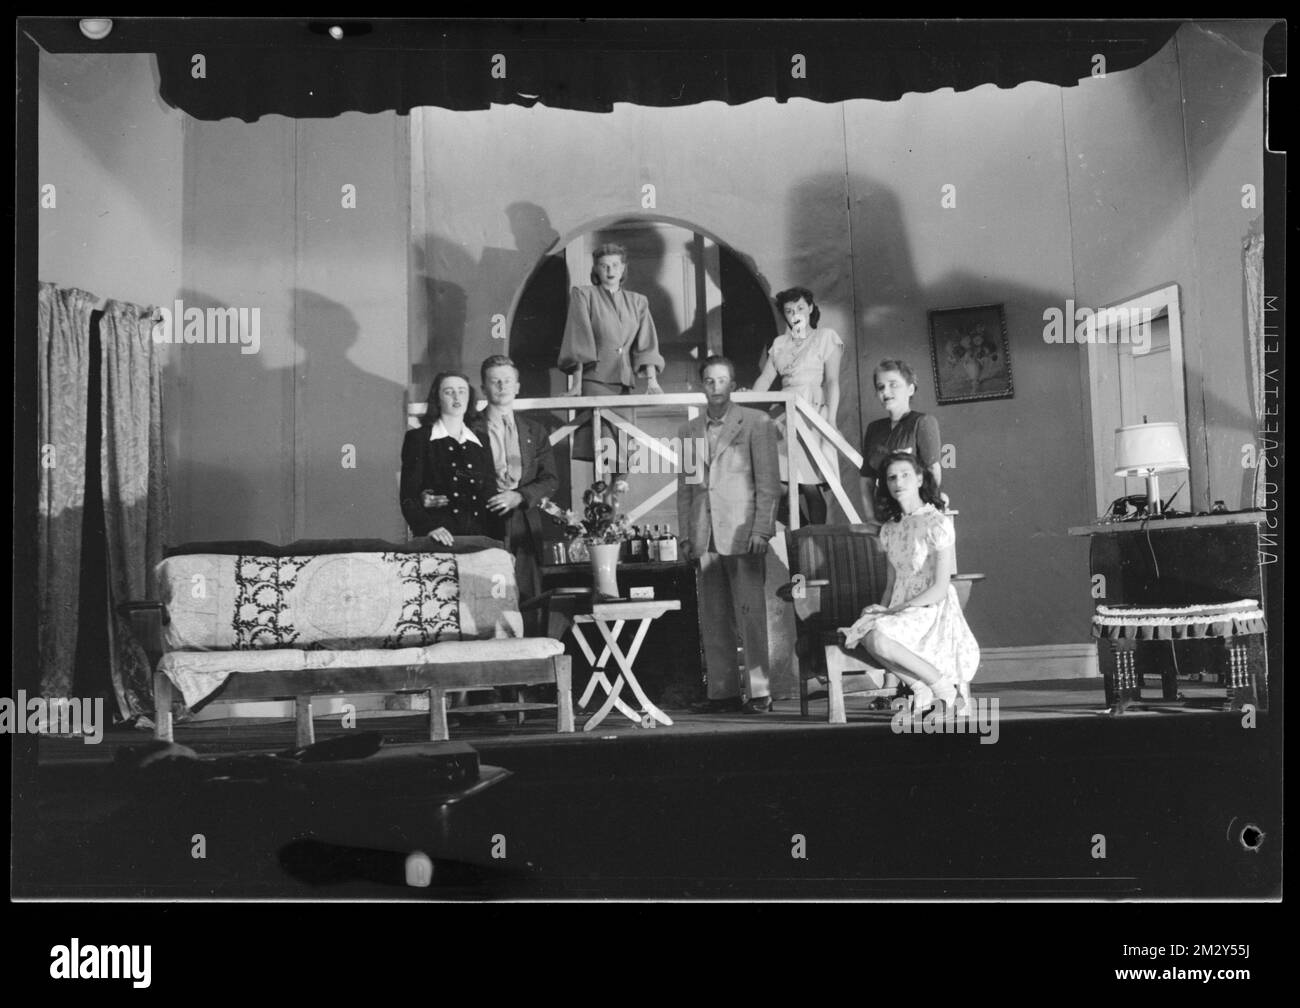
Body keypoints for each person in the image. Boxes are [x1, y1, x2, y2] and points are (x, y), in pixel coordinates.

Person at [677, 356, 781, 714]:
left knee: (751, 615)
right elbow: (687, 489)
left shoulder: (757, 423)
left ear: (733, 385)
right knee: (714, 616)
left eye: (722, 381)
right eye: (709, 381)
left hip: (743, 533)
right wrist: (687, 536)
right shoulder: (689, 432)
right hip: (704, 534)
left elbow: (769, 485)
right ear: (701, 386)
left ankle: (760, 692)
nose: (716, 388)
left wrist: (762, 530)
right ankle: (722, 693)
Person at [840, 451, 979, 711]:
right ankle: (919, 687)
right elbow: (892, 583)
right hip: (900, 607)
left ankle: (945, 690)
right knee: (867, 630)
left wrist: (894, 611)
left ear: (918, 479)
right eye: (892, 478)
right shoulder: (890, 529)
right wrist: (881, 609)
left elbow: (939, 588)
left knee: (879, 638)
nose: (898, 482)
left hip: (930, 609)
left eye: (905, 475)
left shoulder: (936, 522)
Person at [558, 242, 665, 462]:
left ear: (623, 268)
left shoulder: (638, 301)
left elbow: (647, 344)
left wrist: (652, 382)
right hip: (594, 380)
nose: (610, 271)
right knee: (603, 448)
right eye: (604, 265)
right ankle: (602, 494)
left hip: (624, 383)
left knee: (626, 450)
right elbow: (579, 340)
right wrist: (576, 385)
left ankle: (613, 494)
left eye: (615, 265)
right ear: (596, 269)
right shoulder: (583, 295)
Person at [469, 354, 559, 607]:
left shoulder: (535, 431)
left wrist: (520, 496)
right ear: (484, 387)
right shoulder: (468, 428)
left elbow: (550, 479)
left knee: (528, 595)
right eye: (495, 381)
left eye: (507, 380)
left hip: (524, 523)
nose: (502, 386)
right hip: (483, 519)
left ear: (517, 387)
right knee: (483, 594)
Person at [753, 286, 843, 526]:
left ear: (811, 308)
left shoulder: (825, 337)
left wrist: (831, 420)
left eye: (800, 308)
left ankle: (815, 544)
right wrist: (749, 398)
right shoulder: (780, 343)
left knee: (811, 486)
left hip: (811, 412)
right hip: (784, 414)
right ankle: (803, 535)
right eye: (789, 310)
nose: (795, 314)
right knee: (777, 489)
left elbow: (832, 381)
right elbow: (765, 379)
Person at [399, 371, 499, 545]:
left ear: (469, 397)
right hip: (438, 539)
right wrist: (429, 528)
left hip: (478, 538)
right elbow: (408, 497)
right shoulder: (419, 438)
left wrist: (498, 545)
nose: (456, 396)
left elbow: (490, 493)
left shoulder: (481, 440)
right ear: (437, 399)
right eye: (448, 391)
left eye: (462, 391)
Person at [859, 358, 946, 529]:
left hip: (916, 517)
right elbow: (866, 479)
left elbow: (933, 471)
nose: (886, 391)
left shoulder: (923, 422)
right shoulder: (874, 429)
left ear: (910, 389)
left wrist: (925, 513)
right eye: (880, 387)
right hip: (884, 517)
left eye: (894, 384)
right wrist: (870, 517)